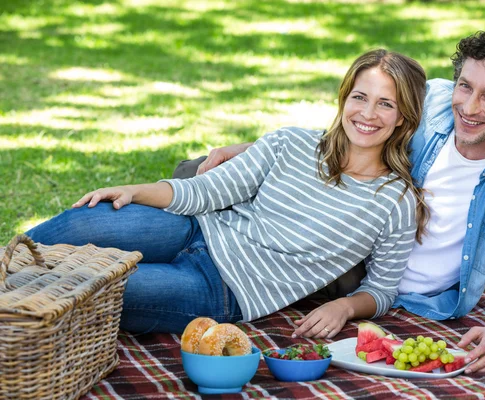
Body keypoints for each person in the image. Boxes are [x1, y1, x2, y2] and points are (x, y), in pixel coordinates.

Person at [193, 27, 485, 375]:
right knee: (196, 174)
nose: (468, 106)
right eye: (464, 86)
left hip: (374, 284)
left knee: (232, 241)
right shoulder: (430, 100)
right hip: (348, 239)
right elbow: (358, 131)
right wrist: (251, 150)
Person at [26, 49, 429, 339]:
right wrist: (134, 190)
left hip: (223, 288)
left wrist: (344, 307)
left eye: (385, 104)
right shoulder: (292, 143)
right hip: (192, 230)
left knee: (89, 288)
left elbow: (381, 290)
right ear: (344, 99)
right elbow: (204, 192)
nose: (367, 113)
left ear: (403, 118)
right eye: (359, 97)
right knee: (81, 222)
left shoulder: (395, 202)